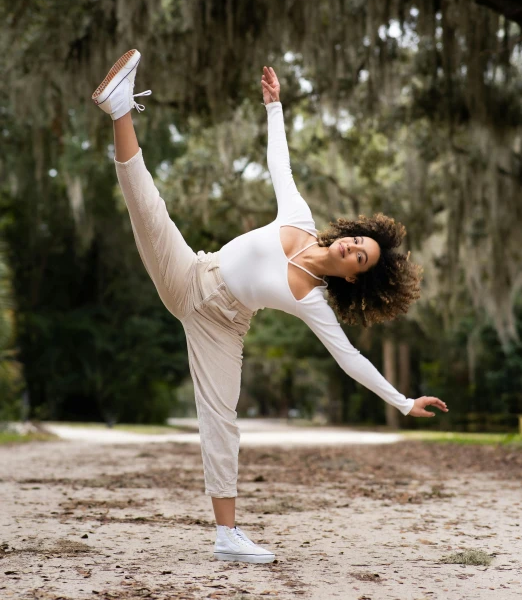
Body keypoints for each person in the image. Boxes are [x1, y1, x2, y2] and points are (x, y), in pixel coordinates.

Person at [92, 49, 449, 564]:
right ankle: (120, 107)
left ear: (355, 278)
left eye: (362, 259)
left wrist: (402, 402)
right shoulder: (299, 218)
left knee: (221, 421)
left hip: (221, 326)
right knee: (147, 206)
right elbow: (279, 165)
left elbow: (351, 360)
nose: (353, 248)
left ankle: (227, 535)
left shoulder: (315, 300)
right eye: (358, 242)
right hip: (192, 272)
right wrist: (274, 108)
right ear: (349, 234)